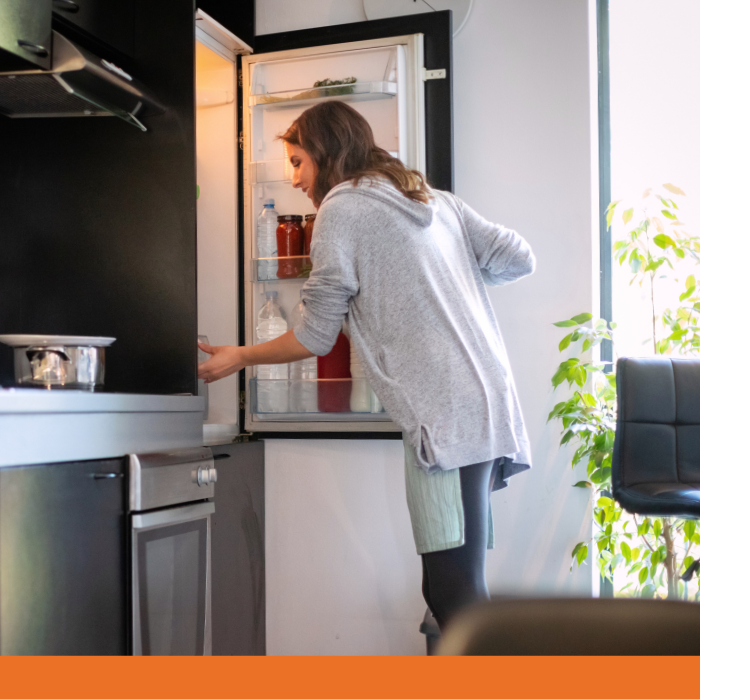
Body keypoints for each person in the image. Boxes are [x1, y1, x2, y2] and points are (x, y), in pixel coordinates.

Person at [198, 101, 535, 632]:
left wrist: (240, 356)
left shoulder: (341, 208)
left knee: (453, 595)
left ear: (327, 154)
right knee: (460, 587)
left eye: (298, 162)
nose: (294, 178)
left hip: (441, 414)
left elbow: (314, 332)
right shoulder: (434, 200)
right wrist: (444, 279)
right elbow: (519, 257)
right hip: (489, 400)